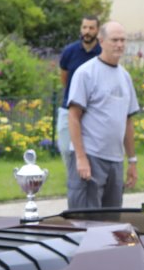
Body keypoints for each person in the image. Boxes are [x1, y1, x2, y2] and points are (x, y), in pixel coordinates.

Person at [66, 20, 139, 210]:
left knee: (111, 220)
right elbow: (73, 117)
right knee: (85, 219)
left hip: (115, 160)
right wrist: (81, 158)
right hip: (91, 156)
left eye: (123, 40)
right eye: (114, 40)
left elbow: (127, 121)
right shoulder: (86, 73)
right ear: (101, 41)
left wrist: (132, 160)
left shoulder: (125, 77)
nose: (119, 45)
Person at [56, 16, 101, 158]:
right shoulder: (69, 51)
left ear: (97, 30)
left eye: (91, 28)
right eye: (84, 27)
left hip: (94, 110)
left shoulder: (102, 53)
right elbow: (64, 78)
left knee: (91, 153)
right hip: (69, 107)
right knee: (65, 149)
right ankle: (71, 173)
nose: (87, 31)